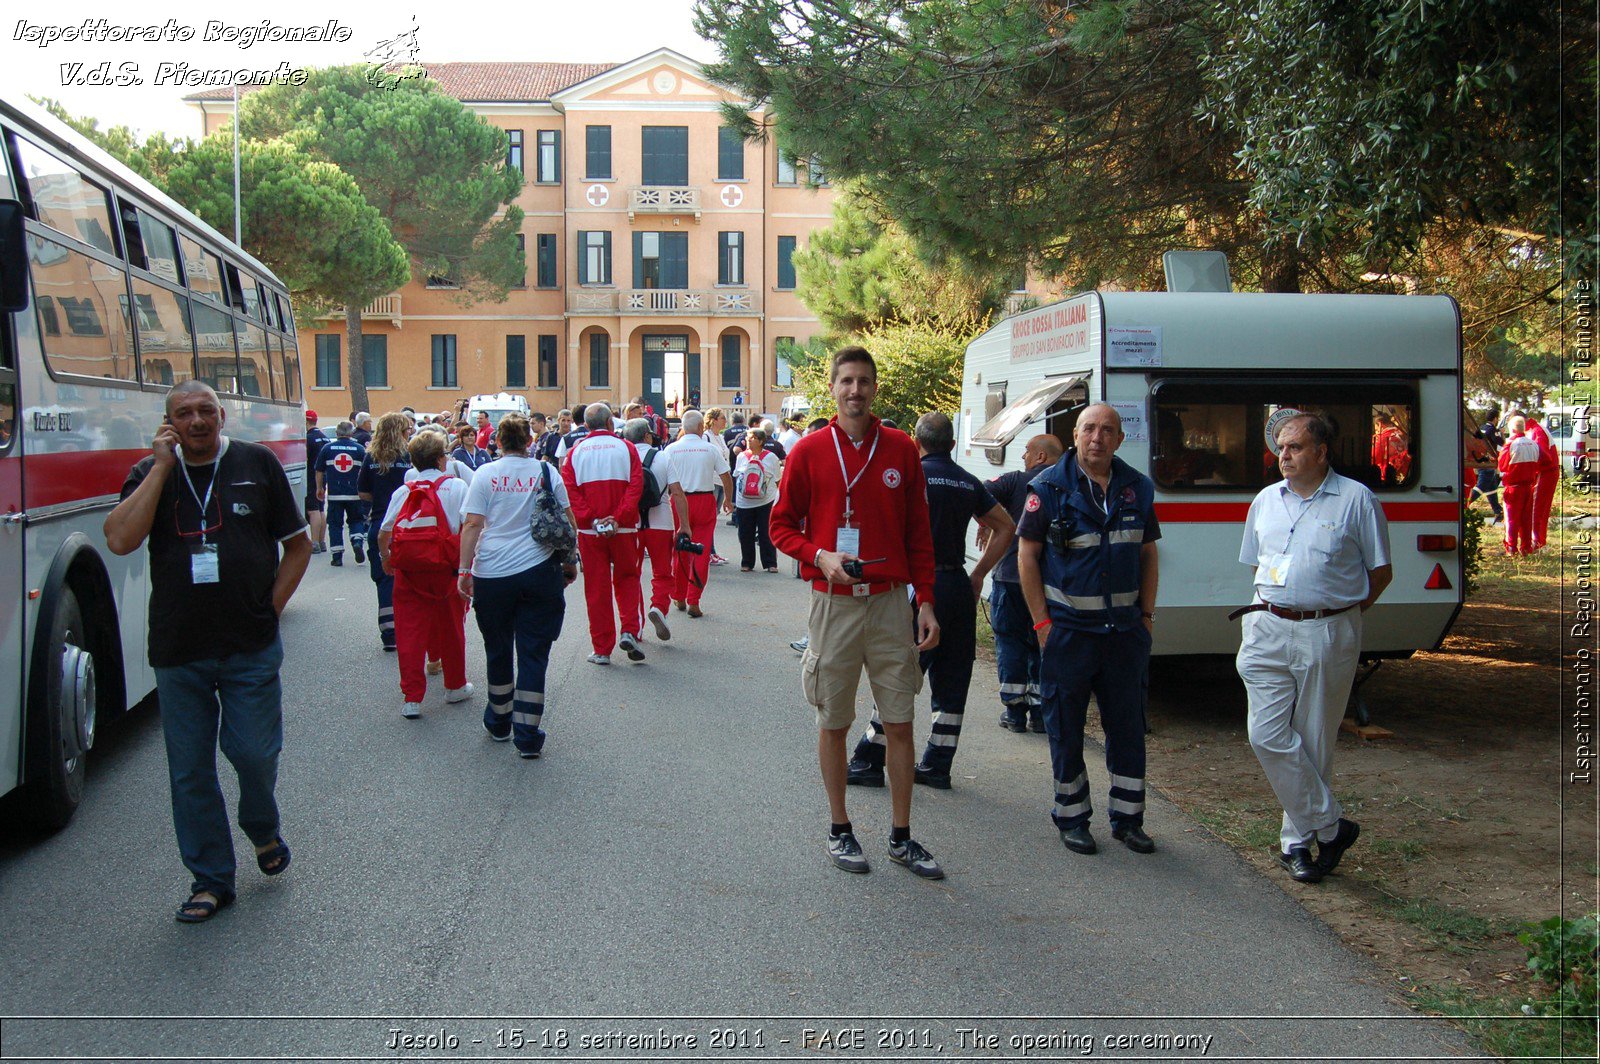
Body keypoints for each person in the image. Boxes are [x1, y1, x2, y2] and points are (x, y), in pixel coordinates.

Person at [103, 380, 311, 923]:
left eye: (204, 411)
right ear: (169, 423)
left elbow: (298, 544)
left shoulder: (256, 463)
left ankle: (261, 828)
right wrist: (160, 468)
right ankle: (210, 878)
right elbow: (120, 539)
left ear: (221, 415)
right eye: (183, 414)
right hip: (179, 649)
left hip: (250, 646)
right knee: (190, 771)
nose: (196, 421)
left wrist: (274, 606)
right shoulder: (151, 474)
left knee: (254, 754)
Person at [769, 346, 943, 880]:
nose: (856, 391)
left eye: (864, 381)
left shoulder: (900, 450)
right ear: (832, 388)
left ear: (874, 388)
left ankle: (901, 836)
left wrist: (927, 600)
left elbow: (919, 531)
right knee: (834, 720)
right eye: (846, 381)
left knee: (900, 721)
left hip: (891, 603)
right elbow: (781, 526)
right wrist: (819, 555)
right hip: (833, 606)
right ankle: (840, 828)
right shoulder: (809, 451)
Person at [1235, 412, 1389, 883]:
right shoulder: (1265, 500)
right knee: (1266, 734)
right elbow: (1256, 562)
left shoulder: (1356, 500)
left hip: (1326, 631)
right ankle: (1331, 825)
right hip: (1265, 625)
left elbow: (1380, 573)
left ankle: (1296, 843)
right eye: (1281, 447)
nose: (1284, 456)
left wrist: (1336, 614)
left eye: (1295, 447)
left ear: (1321, 453)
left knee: (1314, 740)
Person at [1016, 403, 1161, 856]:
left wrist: (1147, 615)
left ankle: (1128, 819)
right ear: (1075, 435)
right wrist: (1042, 623)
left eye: (1108, 430)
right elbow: (1027, 556)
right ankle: (1073, 816)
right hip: (1069, 635)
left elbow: (1148, 553)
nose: (1097, 437)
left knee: (1127, 727)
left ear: (1119, 440)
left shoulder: (1137, 488)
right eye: (1090, 429)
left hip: (1123, 636)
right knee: (1065, 727)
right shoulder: (1047, 488)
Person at [846, 412, 1015, 790]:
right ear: (953, 445)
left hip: (918, 586)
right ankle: (938, 763)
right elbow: (1006, 526)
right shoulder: (969, 482)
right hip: (957, 582)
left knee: (900, 675)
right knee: (954, 675)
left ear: (915, 443)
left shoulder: (909, 477)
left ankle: (869, 759)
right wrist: (979, 573)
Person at [459, 415, 576, 757]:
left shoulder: (485, 474)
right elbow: (568, 520)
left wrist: (464, 570)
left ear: (497, 441)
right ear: (529, 441)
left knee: (497, 648)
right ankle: (526, 732)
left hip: (492, 573)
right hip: (539, 570)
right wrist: (570, 561)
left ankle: (499, 720)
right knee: (533, 652)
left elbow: (472, 525)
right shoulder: (546, 472)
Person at [378, 430, 474, 718]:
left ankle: (412, 698)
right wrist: (468, 569)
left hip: (409, 572)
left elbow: (385, 532)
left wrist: (387, 559)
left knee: (409, 632)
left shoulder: (404, 490)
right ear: (442, 458)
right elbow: (468, 528)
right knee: (452, 628)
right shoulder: (456, 487)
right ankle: (455, 686)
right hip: (446, 569)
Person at [983, 433, 1064, 732]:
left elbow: (978, 492)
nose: (1023, 457)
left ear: (1041, 456)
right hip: (1049, 583)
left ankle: (1014, 713)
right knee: (1042, 644)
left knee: (1010, 641)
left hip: (1011, 577)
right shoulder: (1067, 483)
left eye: (1028, 451)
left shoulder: (1015, 481)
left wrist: (990, 521)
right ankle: (1041, 713)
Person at [561, 403, 647, 664]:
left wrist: (593, 519)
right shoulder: (627, 448)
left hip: (590, 531)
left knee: (596, 588)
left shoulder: (575, 452)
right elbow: (636, 486)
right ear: (611, 423)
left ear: (586, 426)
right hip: (624, 528)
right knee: (628, 578)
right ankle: (630, 629)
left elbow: (571, 493)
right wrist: (618, 518)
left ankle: (601, 648)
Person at [624, 418, 691, 641]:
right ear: (647, 436)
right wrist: (684, 525)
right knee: (663, 572)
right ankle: (659, 607)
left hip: (630, 524)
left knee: (630, 576)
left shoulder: (623, 457)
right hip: (660, 522)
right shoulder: (662, 457)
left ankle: (635, 628)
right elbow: (677, 492)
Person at [665, 409, 734, 615]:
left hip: (678, 500)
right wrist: (728, 499)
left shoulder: (670, 449)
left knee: (679, 550)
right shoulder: (709, 449)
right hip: (704, 499)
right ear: (701, 427)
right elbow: (726, 476)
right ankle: (694, 599)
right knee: (701, 552)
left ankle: (678, 595)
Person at [357, 413, 415, 652]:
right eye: (407, 430)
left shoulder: (371, 456)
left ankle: (389, 633)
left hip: (381, 523)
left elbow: (363, 493)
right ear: (400, 432)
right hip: (408, 525)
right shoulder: (408, 457)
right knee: (410, 580)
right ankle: (410, 628)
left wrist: (383, 501)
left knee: (384, 579)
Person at [316, 420, 368, 568]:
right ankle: (357, 541)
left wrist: (320, 488)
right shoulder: (359, 449)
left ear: (337, 433)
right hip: (354, 494)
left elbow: (319, 470)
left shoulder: (327, 448)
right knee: (356, 520)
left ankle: (337, 557)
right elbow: (365, 472)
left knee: (335, 524)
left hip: (335, 495)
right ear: (351, 433)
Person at [732, 428, 781, 571]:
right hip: (744, 502)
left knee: (766, 532)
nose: (748, 440)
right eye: (747, 437)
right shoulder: (741, 456)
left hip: (766, 501)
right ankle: (747, 562)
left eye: (752, 438)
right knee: (745, 533)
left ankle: (770, 563)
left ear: (761, 441)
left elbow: (778, 480)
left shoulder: (771, 457)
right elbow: (737, 476)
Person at [1498, 415, 1547, 555]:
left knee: (1511, 520)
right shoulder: (1534, 444)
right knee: (1526, 520)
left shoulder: (1510, 445)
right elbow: (1546, 460)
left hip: (1513, 488)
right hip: (1529, 488)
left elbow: (1502, 466)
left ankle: (1511, 548)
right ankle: (1526, 548)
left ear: (1512, 429)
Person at [1525, 411, 1561, 549]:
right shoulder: (1536, 429)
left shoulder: (1536, 432)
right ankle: (1540, 540)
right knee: (1541, 508)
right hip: (1547, 472)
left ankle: (1536, 540)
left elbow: (1542, 455)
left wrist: (1530, 468)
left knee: (1536, 508)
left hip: (1545, 473)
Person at [1469, 405, 1504, 524]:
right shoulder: (1493, 431)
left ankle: (1498, 511)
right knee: (1482, 485)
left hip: (1479, 460)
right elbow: (1501, 445)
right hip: (1489, 462)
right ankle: (1465, 504)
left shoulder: (1481, 428)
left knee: (1491, 487)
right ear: (1495, 419)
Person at [304, 410, 328, 554]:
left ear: (306, 422)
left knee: (313, 510)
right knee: (320, 509)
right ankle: (322, 541)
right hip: (323, 477)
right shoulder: (324, 437)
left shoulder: (308, 438)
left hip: (311, 477)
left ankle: (314, 543)